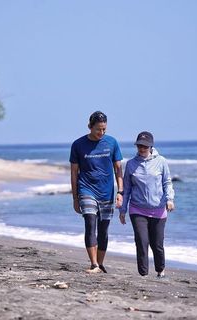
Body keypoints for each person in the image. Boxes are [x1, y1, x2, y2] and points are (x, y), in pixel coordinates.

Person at [70, 111, 124, 274]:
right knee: (90, 223)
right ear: (90, 127)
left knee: (104, 229)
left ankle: (100, 264)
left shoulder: (112, 143)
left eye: (104, 130)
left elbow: (118, 169)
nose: (101, 133)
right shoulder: (78, 145)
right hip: (86, 189)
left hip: (107, 192)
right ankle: (93, 264)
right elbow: (73, 172)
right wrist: (75, 198)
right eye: (98, 129)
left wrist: (120, 191)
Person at [119, 131, 175, 278]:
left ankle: (160, 270)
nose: (141, 149)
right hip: (137, 209)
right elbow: (127, 188)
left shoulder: (161, 161)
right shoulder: (131, 164)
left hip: (158, 209)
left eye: (145, 146)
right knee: (142, 241)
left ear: (151, 146)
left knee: (157, 244)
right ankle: (143, 274)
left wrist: (169, 199)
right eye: (139, 146)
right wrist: (123, 210)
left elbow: (167, 182)